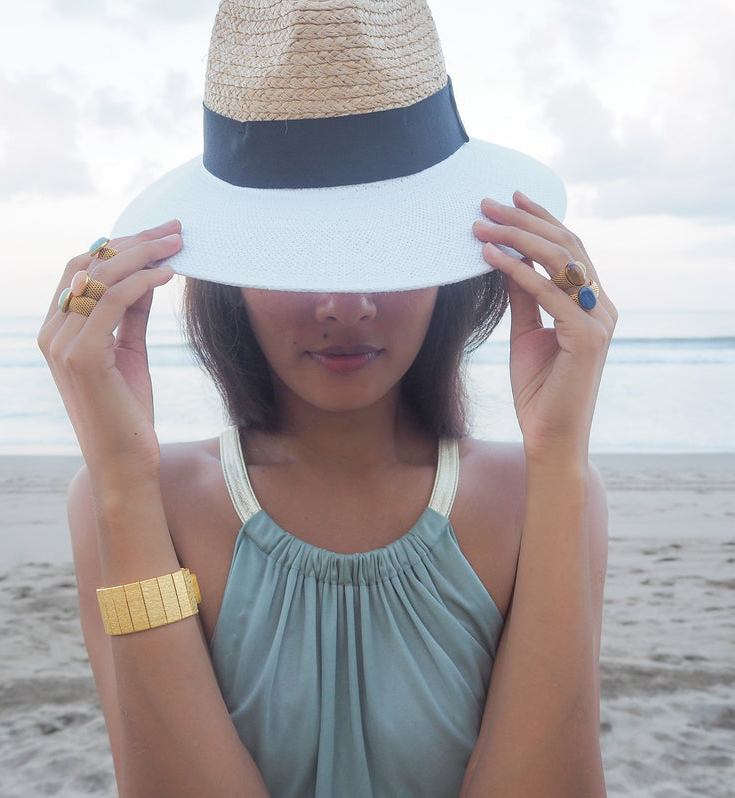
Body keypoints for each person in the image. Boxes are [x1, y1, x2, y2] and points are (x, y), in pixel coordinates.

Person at [39, 1, 615, 796]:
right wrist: (119, 483)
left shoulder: (546, 494)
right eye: (297, 253)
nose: (345, 305)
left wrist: (558, 459)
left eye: (383, 249)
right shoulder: (137, 498)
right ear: (232, 277)